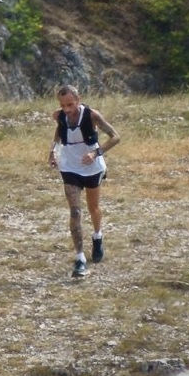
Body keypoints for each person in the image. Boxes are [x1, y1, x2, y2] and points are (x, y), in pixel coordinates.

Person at [48, 85, 121, 278]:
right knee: (75, 212)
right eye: (63, 105)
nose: (67, 109)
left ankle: (97, 236)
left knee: (93, 208)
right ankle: (79, 258)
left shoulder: (91, 115)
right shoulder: (60, 115)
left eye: (70, 104)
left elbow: (115, 137)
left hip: (92, 167)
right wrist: (53, 151)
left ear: (78, 100)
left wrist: (96, 152)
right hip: (69, 167)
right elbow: (59, 130)